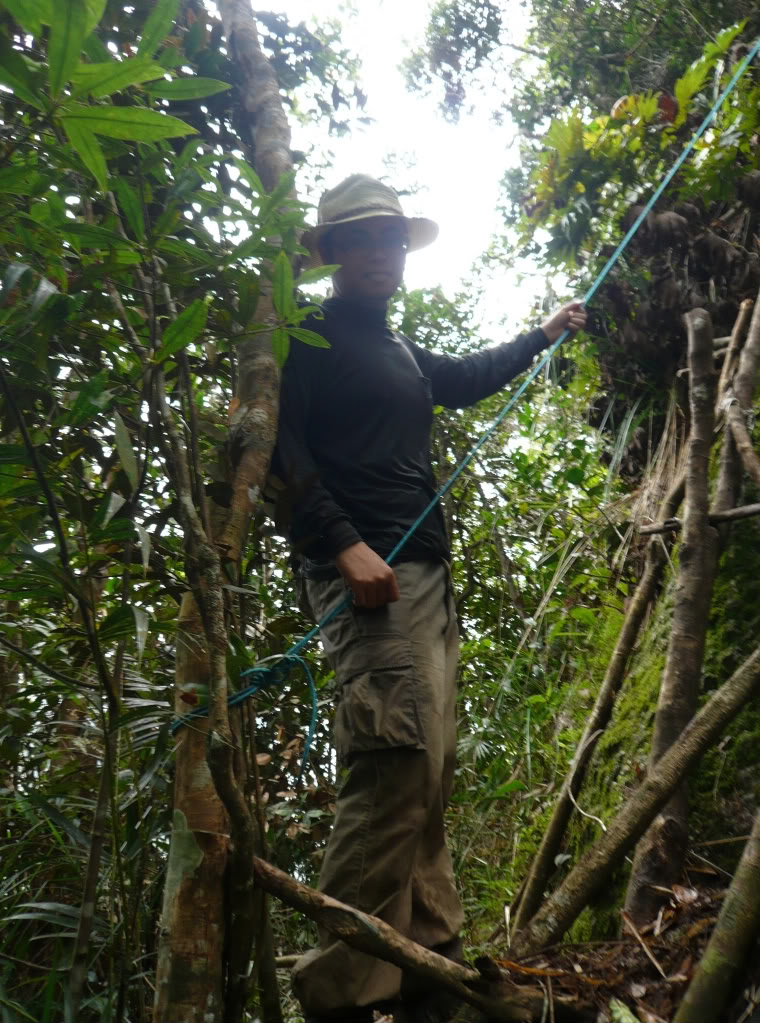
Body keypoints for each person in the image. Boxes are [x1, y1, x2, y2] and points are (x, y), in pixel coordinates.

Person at [272, 174, 586, 1023]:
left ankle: (431, 973)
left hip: (424, 578)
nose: (381, 254)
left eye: (392, 240)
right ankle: (338, 993)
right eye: (362, 240)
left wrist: (544, 334)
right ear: (332, 253)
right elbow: (272, 448)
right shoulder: (307, 336)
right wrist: (344, 544)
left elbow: (469, 376)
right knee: (394, 763)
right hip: (366, 578)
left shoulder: (396, 348)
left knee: (430, 769)